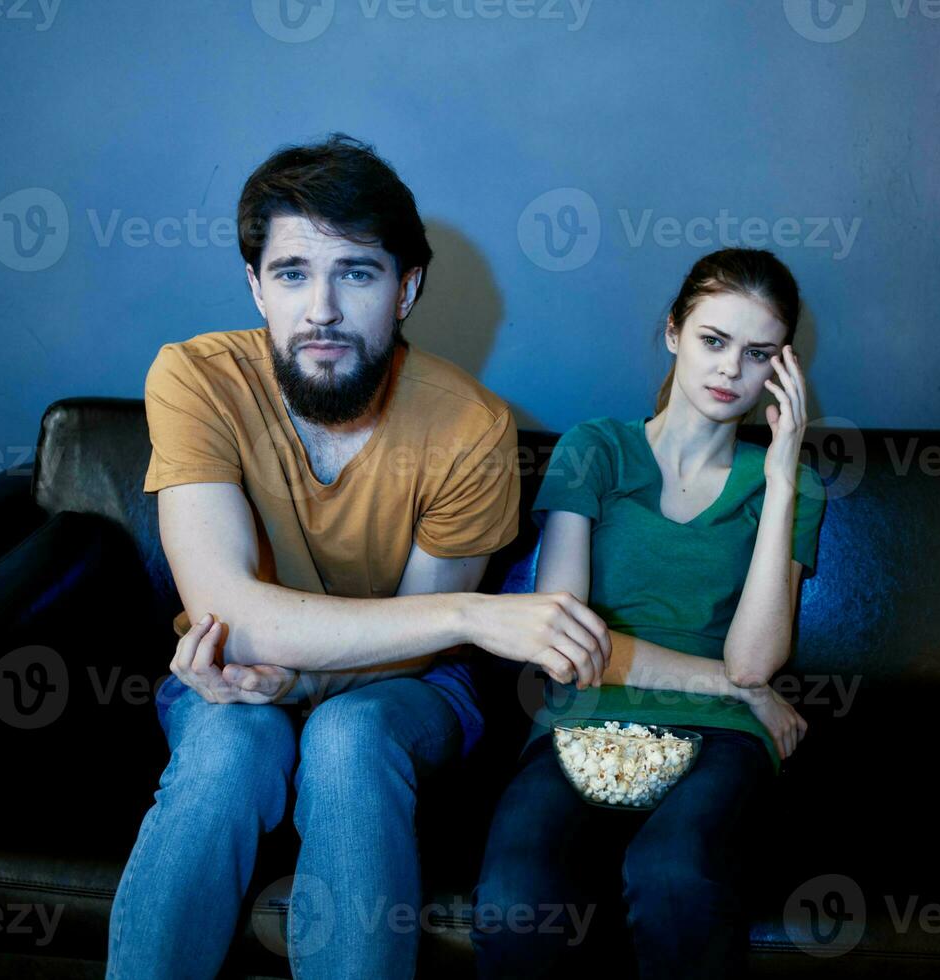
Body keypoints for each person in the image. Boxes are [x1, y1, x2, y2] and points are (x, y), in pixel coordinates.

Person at [106, 133, 613, 980]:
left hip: (409, 686)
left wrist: (301, 677)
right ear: (255, 286)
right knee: (228, 745)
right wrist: (472, 613)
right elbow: (229, 604)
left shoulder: (470, 425)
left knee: (346, 737)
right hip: (226, 679)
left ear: (406, 287)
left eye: (358, 272)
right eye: (293, 273)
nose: (323, 310)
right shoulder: (194, 379)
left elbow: (413, 649)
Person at [470, 248, 827, 979]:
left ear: (779, 370)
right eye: (713, 341)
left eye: (756, 353)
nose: (730, 370)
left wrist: (785, 475)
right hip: (583, 720)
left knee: (673, 876)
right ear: (672, 333)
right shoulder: (594, 450)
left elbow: (756, 661)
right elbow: (562, 645)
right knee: (515, 897)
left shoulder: (785, 484)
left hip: (723, 739)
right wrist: (737, 688)